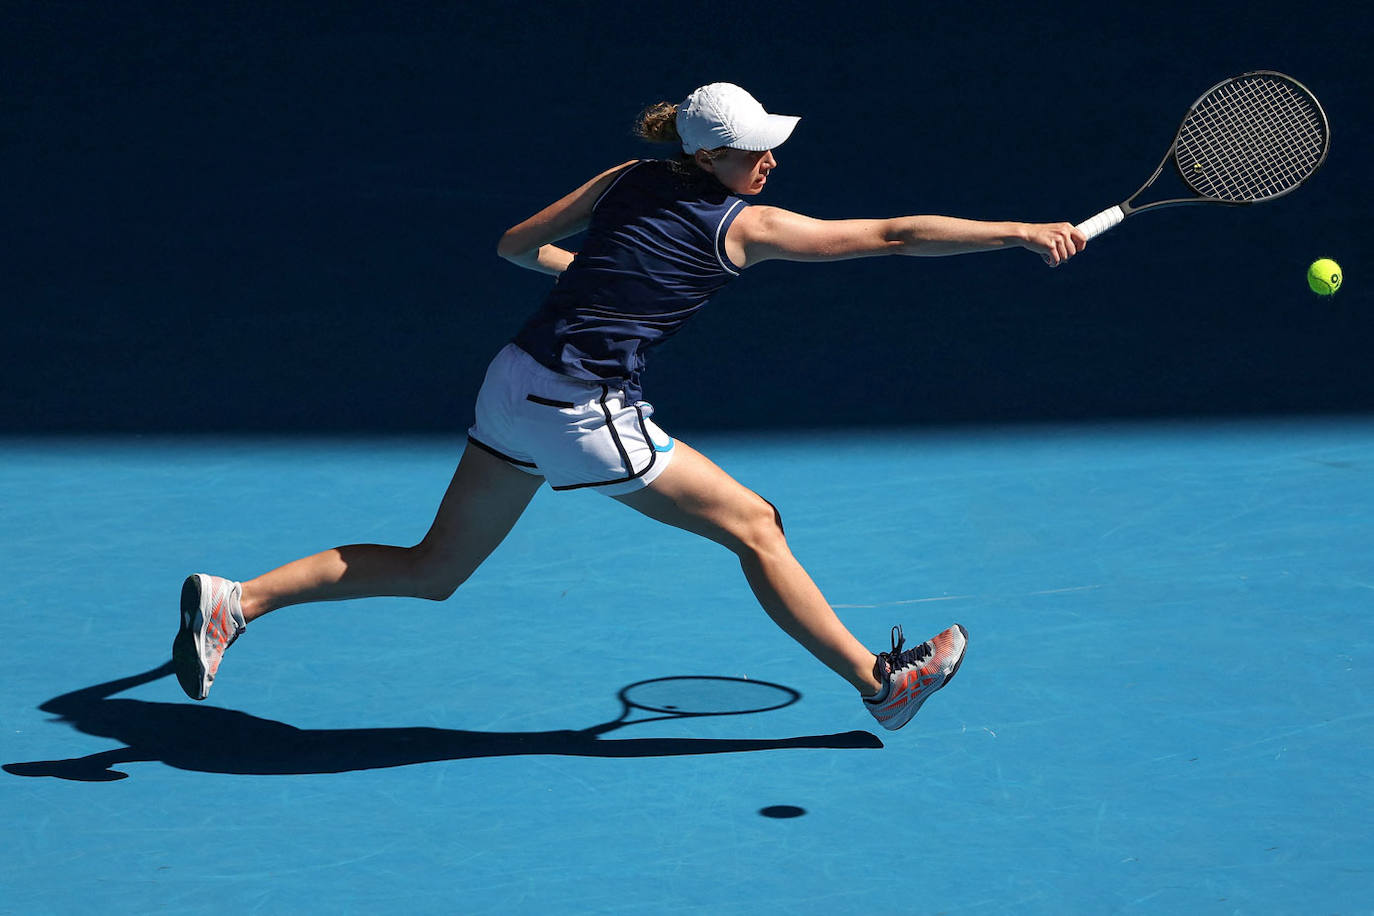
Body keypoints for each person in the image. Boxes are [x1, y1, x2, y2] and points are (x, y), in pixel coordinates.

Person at [173, 82, 1085, 731]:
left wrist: (600, 284)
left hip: (513, 382)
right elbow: (888, 237)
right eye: (755, 147)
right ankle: (882, 685)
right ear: (708, 154)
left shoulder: (624, 179)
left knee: (435, 567)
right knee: (757, 527)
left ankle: (235, 601)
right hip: (580, 409)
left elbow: (515, 246)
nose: (770, 158)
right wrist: (1016, 232)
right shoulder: (750, 227)